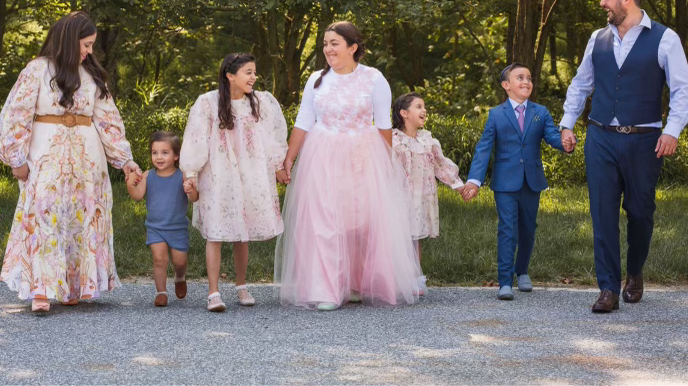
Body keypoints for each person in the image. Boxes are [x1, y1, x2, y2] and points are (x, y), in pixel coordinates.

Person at [559, 0, 688, 313]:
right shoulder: (597, 38)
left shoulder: (665, 38)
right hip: (600, 137)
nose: (601, 2)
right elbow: (580, 84)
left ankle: (634, 272)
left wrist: (672, 130)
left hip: (644, 141)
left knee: (640, 212)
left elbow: (682, 89)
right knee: (602, 212)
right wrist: (567, 124)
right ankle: (607, 288)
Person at [0, 11, 141, 313]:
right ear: (70, 40)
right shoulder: (38, 70)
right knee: (44, 214)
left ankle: (74, 285)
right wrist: (16, 157)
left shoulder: (91, 75)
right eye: (86, 44)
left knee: (81, 216)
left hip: (87, 160)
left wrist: (125, 159)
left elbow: (108, 121)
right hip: (47, 155)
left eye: (91, 45)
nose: (89, 51)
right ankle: (41, 289)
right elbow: (17, 114)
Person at [274, 21, 423, 311]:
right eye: (325, 44)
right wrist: (289, 158)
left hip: (362, 155)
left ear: (352, 47)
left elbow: (384, 125)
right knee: (325, 222)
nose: (328, 49)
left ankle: (356, 283)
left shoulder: (373, 79)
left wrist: (386, 164)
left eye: (334, 44)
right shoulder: (316, 79)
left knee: (361, 222)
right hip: (322, 156)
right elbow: (304, 121)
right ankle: (328, 289)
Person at [180, 53, 288, 312]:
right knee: (216, 232)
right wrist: (191, 172)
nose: (254, 77)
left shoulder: (259, 102)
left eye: (254, 72)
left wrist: (277, 165)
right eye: (248, 72)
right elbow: (196, 138)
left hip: (250, 172)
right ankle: (213, 292)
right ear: (230, 75)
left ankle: (242, 285)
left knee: (243, 232)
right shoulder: (208, 103)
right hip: (219, 173)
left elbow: (273, 135)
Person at [463, 63, 567, 300]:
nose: (526, 82)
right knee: (507, 229)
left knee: (528, 229)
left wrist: (565, 143)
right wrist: (474, 180)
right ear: (506, 85)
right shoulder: (496, 114)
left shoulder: (540, 112)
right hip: (505, 183)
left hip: (531, 181)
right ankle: (505, 281)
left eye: (529, 78)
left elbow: (552, 136)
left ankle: (522, 271)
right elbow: (484, 148)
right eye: (520, 77)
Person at [391, 92, 470, 292]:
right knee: (399, 237)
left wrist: (458, 185)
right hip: (400, 196)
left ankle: (415, 278)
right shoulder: (394, 140)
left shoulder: (427, 141)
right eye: (418, 107)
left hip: (421, 197)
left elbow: (440, 165)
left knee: (415, 238)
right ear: (404, 113)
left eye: (424, 107)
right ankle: (396, 278)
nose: (424, 110)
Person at [125, 131, 193, 307]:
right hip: (155, 227)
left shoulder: (182, 176)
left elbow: (194, 198)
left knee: (180, 262)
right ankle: (161, 292)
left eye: (165, 152)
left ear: (176, 156)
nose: (159, 157)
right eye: (154, 152)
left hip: (177, 228)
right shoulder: (148, 175)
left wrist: (191, 189)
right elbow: (137, 195)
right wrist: (130, 184)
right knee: (159, 259)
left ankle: (180, 277)